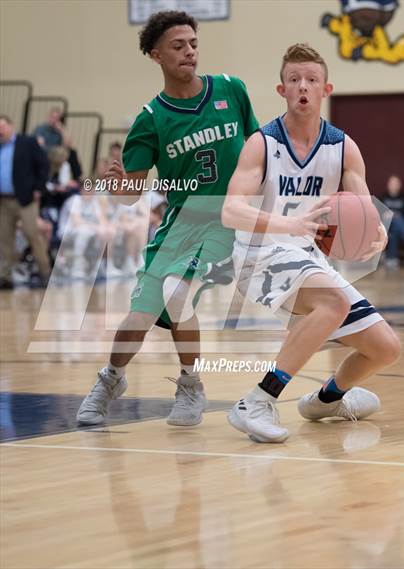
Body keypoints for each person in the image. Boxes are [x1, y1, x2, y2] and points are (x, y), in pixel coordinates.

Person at [76, 10, 259, 426]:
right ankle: (110, 379)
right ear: (156, 55)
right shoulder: (151, 119)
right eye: (179, 46)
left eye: (193, 43)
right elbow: (131, 197)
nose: (190, 52)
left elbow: (258, 148)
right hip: (179, 224)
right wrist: (117, 184)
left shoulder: (231, 90)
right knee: (138, 317)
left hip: (227, 221)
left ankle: (191, 382)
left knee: (177, 293)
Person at [221, 43, 401, 443]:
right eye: (294, 79)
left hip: (304, 258)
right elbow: (230, 211)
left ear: (326, 89)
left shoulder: (342, 147)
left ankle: (325, 401)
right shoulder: (262, 143)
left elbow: (362, 204)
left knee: (384, 348)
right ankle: (256, 401)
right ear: (282, 89)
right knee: (332, 303)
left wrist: (378, 230)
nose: (303, 86)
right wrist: (290, 224)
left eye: (311, 80)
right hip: (259, 253)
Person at [0, 115, 51, 289]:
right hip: (4, 201)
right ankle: (5, 276)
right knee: (5, 239)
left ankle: (45, 271)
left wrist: (38, 188)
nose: (1, 130)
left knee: (32, 234)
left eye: (3, 126)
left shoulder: (27, 142)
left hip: (25, 199)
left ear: (11, 126)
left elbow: (43, 165)